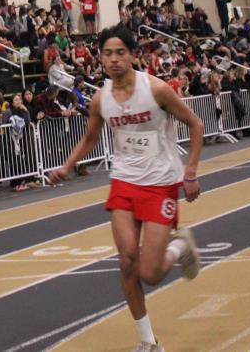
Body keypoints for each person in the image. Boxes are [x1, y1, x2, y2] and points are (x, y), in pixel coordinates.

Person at [49, 25, 204, 352]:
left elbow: (196, 124)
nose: (114, 59)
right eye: (107, 53)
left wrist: (190, 172)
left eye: (120, 52)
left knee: (150, 273)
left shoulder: (156, 90)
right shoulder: (100, 98)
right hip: (124, 181)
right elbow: (90, 138)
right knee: (126, 262)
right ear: (101, 58)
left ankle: (180, 246)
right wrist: (66, 166)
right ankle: (148, 342)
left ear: (133, 55)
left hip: (160, 183)